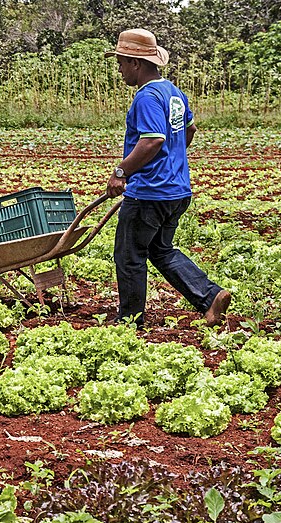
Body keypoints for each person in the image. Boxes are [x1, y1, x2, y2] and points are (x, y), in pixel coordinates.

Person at [104, 28, 230, 328]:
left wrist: (122, 172)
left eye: (121, 62)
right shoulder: (173, 93)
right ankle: (209, 296)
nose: (120, 69)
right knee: (161, 250)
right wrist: (172, 160)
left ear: (136, 63)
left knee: (129, 255)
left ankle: (129, 322)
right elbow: (189, 130)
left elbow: (152, 140)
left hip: (149, 193)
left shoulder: (147, 97)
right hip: (177, 190)